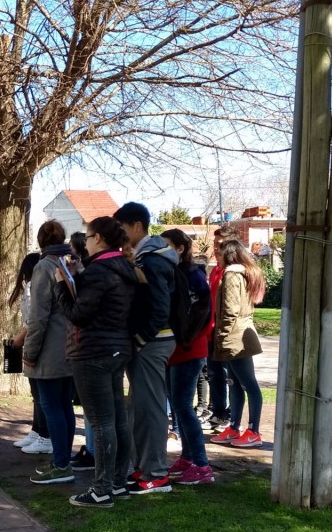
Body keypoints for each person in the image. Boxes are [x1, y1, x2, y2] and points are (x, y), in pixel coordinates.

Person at [54, 216, 137, 508]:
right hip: (117, 349)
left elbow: (78, 314)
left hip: (92, 352)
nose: (85, 242)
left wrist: (61, 286)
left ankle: (101, 489)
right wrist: (79, 274)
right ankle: (117, 483)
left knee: (102, 423)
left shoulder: (100, 270)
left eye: (88, 238)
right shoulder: (123, 266)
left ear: (99, 238)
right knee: (116, 420)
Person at [114, 202, 178, 494]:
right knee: (139, 408)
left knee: (150, 409)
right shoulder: (148, 257)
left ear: (137, 226)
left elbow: (159, 308)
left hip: (153, 342)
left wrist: (141, 339)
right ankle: (143, 469)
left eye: (123, 229)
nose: (121, 235)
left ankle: (156, 474)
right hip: (150, 341)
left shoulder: (152, 260)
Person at [23, 221, 76, 484]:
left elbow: (39, 315)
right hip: (68, 346)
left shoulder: (44, 266)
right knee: (64, 405)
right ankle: (63, 461)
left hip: (50, 349)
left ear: (41, 240)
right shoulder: (68, 262)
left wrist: (29, 351)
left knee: (52, 406)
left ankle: (62, 464)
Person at [161, 229, 215, 485]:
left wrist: (184, 339)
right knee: (179, 408)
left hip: (189, 350)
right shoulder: (175, 273)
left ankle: (202, 466)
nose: (163, 250)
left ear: (180, 248)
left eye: (167, 245)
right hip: (176, 350)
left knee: (183, 406)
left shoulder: (193, 275)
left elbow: (202, 312)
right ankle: (188, 456)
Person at [210, 239, 266, 448]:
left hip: (235, 337)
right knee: (234, 383)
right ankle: (234, 427)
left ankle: (254, 431)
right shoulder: (241, 273)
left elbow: (231, 309)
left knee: (248, 383)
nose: (217, 256)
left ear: (229, 255)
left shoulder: (233, 274)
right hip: (237, 335)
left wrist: (222, 335)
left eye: (220, 253)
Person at [9, 252, 52, 455]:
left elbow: (34, 320)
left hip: (36, 344)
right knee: (36, 394)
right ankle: (37, 430)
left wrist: (20, 338)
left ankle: (45, 435)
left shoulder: (33, 288)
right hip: (33, 342)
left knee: (42, 395)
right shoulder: (32, 287)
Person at [66, 231, 96, 472]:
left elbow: (78, 309)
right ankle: (92, 449)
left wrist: (69, 280)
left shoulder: (92, 270)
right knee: (90, 406)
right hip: (87, 343)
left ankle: (96, 453)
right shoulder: (88, 269)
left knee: (96, 408)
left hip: (94, 345)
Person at [206, 225, 240, 432]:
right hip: (211, 332)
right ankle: (219, 413)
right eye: (214, 243)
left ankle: (232, 418)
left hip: (227, 333)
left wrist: (225, 330)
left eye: (220, 245)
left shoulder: (233, 273)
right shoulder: (215, 271)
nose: (216, 248)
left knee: (231, 377)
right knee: (214, 374)